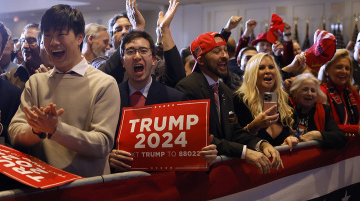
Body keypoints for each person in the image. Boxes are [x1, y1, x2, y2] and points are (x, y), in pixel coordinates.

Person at [8, 4, 120, 177]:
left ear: (79, 37)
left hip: (86, 188)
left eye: (61, 34)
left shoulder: (104, 83)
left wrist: (56, 130)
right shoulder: (36, 82)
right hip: (41, 186)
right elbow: (15, 131)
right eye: (47, 35)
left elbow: (102, 144)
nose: (53, 42)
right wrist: (37, 131)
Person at [108, 30, 217, 171]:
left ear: (153, 59)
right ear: (122, 62)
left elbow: (188, 150)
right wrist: (107, 156)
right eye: (130, 52)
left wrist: (206, 155)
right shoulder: (110, 96)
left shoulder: (175, 99)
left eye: (143, 51)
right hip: (120, 183)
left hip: (161, 184)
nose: (137, 56)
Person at [176, 32, 283, 174]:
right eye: (216, 51)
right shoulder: (187, 88)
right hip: (198, 175)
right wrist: (244, 152)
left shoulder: (225, 90)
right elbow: (199, 138)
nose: (225, 56)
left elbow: (234, 131)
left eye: (225, 50)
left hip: (222, 173)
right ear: (201, 60)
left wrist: (261, 144)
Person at [100, 0, 185, 88]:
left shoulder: (153, 65)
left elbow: (177, 80)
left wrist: (165, 30)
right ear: (111, 38)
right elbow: (108, 73)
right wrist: (137, 28)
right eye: (118, 29)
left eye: (129, 28)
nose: (124, 32)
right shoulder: (101, 61)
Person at [233, 53, 295, 147]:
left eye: (271, 67)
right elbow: (233, 138)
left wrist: (290, 138)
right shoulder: (239, 100)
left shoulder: (283, 99)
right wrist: (253, 127)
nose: (268, 71)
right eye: (261, 68)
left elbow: (293, 132)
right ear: (252, 73)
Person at [287, 73, 346, 149]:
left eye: (313, 90)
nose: (309, 93)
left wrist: (316, 135)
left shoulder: (324, 110)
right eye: (305, 89)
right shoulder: (286, 107)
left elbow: (340, 138)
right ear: (294, 93)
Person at [319, 49, 360, 129]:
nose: (344, 71)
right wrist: (356, 129)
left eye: (347, 68)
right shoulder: (321, 92)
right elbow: (326, 127)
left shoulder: (352, 91)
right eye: (339, 67)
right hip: (333, 141)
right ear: (327, 70)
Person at [1, 23, 43, 89]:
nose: (24, 46)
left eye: (31, 41)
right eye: (22, 41)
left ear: (42, 42)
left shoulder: (57, 73)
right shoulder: (8, 78)